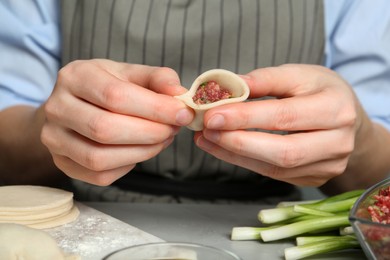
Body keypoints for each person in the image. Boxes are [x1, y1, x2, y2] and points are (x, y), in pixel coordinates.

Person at [1, 0, 390, 203]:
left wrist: (356, 137)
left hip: (266, 226)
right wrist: (55, 128)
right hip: (82, 214)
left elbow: (380, 172)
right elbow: (7, 153)